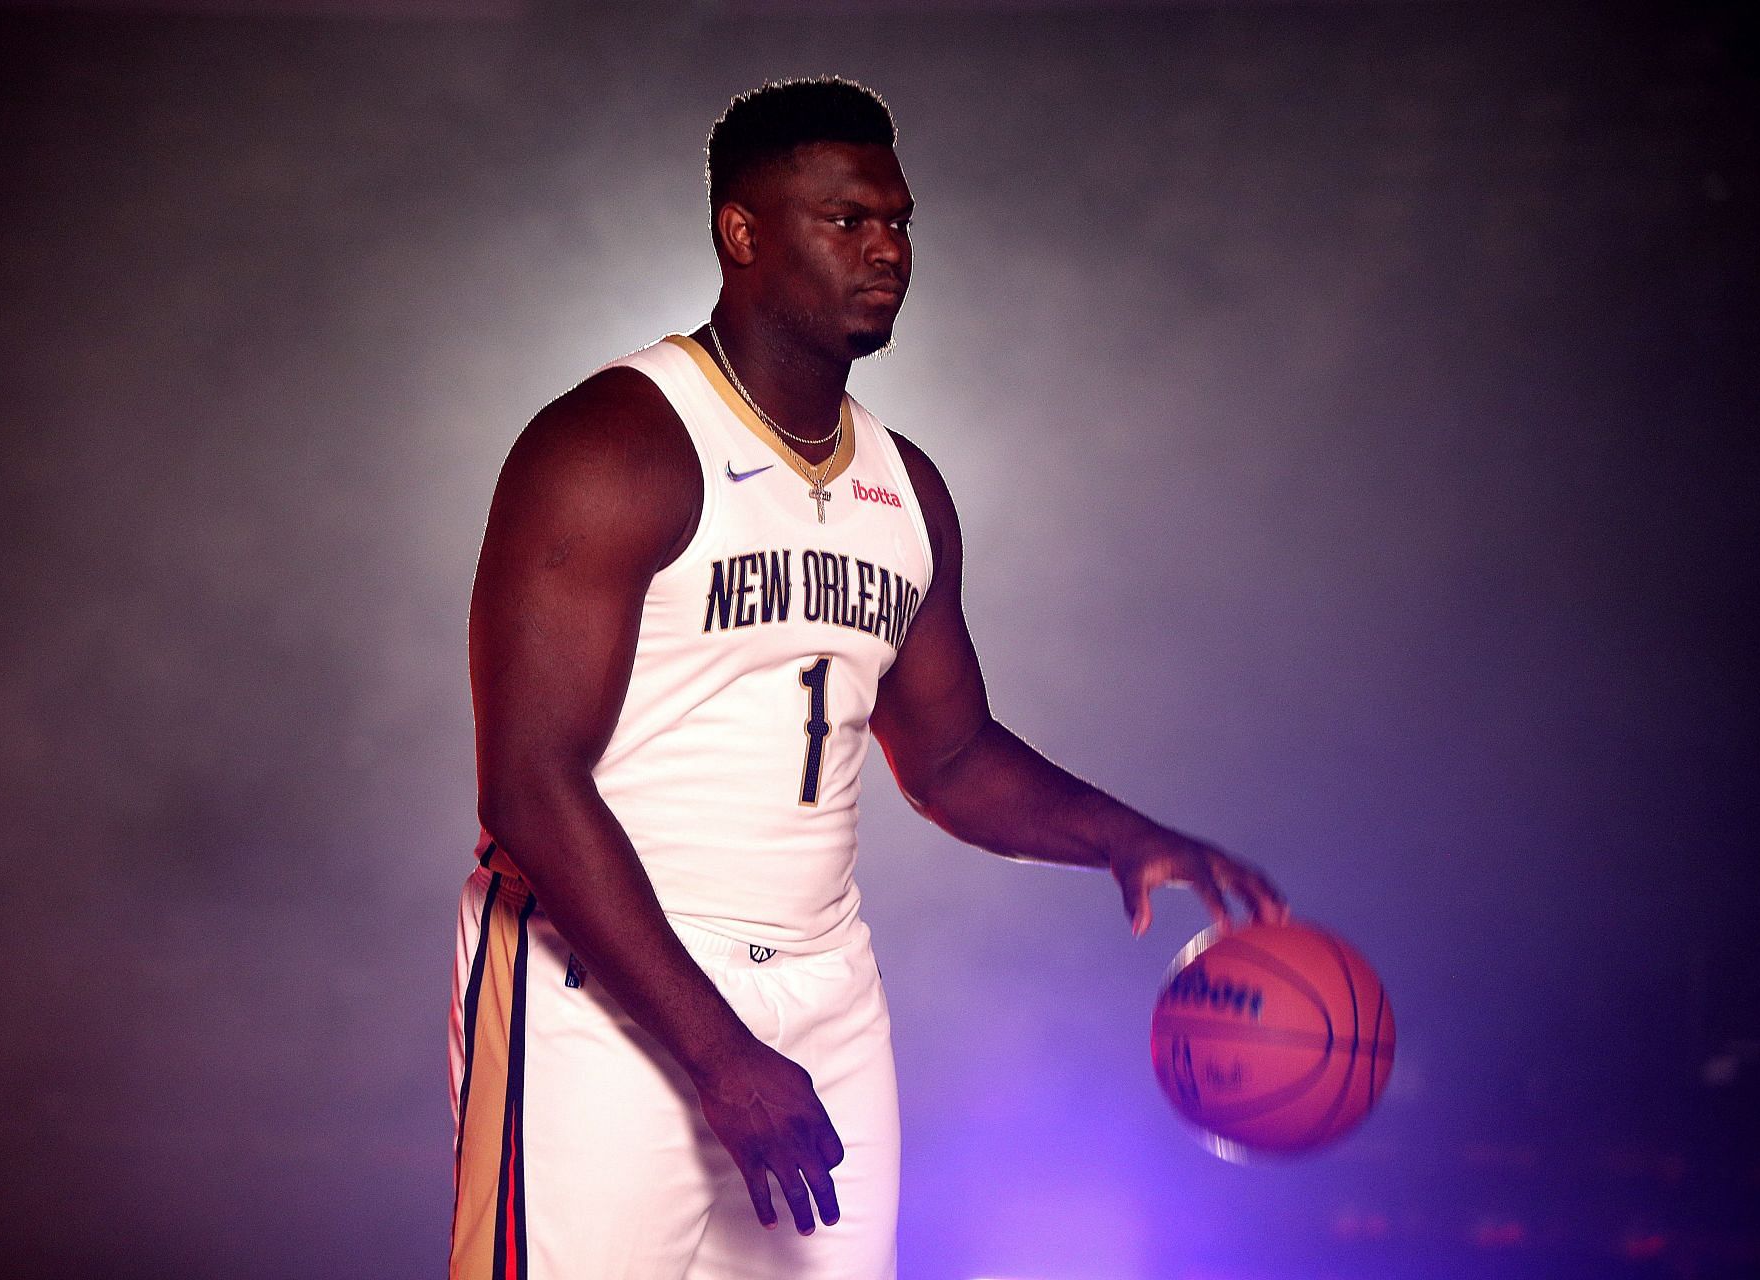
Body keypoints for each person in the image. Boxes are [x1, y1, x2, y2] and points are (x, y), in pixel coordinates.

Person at [448, 76, 1285, 1280]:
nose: (886, 248)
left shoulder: (906, 487)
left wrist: (1127, 836)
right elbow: (528, 784)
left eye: (898, 221)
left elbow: (946, 757)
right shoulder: (615, 445)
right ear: (742, 233)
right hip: (605, 985)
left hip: (823, 984)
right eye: (847, 220)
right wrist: (718, 1050)